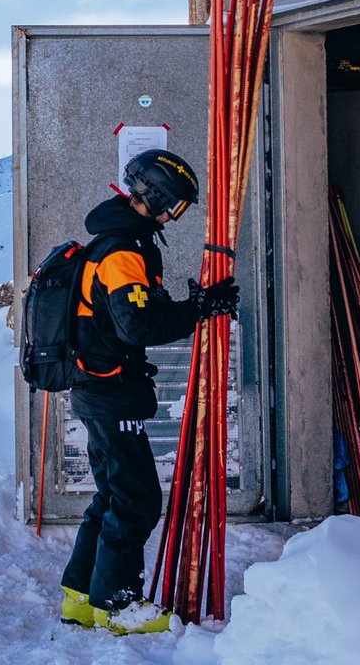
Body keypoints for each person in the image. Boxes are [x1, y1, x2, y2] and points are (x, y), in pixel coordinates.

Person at [59, 149, 239, 635]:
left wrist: (191, 306)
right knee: (136, 500)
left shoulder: (119, 242)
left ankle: (81, 596)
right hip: (111, 389)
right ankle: (118, 606)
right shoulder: (121, 251)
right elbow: (135, 325)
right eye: (176, 206)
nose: (173, 216)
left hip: (99, 386)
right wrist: (198, 309)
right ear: (156, 196)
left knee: (113, 494)